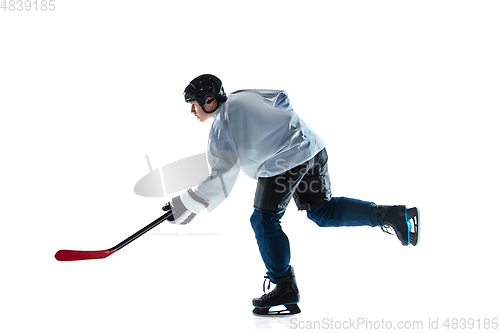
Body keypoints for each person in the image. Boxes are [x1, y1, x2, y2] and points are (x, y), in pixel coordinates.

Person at [162, 74, 420, 317]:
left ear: (209, 100)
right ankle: (393, 215)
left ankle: (284, 285)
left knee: (263, 220)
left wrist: (186, 205)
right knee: (323, 211)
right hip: (311, 146)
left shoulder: (221, 126)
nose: (192, 111)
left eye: (194, 104)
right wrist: (284, 127)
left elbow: (222, 175)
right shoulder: (244, 95)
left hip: (285, 162)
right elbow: (281, 96)